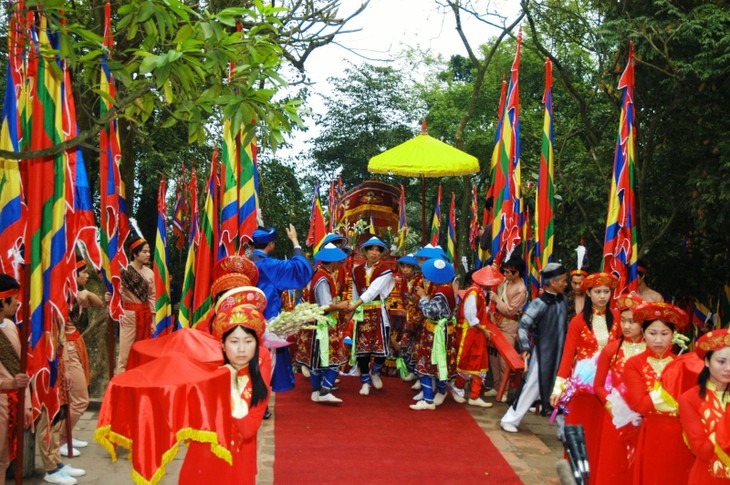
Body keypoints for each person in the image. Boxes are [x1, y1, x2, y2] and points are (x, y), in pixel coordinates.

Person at [179, 286, 271, 484]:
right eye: (234, 341)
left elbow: (248, 429)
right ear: (222, 344)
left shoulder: (260, 370)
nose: (241, 349)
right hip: (204, 457)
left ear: (257, 344)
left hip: (238, 459)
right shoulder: (208, 366)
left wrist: (229, 384)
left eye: (248, 341)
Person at [550, 272, 621, 469]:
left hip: (608, 387)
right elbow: (567, 356)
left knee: (602, 433)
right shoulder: (578, 321)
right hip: (582, 388)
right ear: (588, 293)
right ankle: (576, 472)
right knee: (581, 432)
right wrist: (558, 388)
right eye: (597, 291)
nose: (602, 296)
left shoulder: (617, 318)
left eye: (606, 291)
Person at [623, 301, 693, 484]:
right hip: (653, 433)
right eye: (652, 333)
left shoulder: (683, 364)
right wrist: (669, 386)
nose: (659, 340)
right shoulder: (633, 364)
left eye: (665, 334)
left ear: (673, 335)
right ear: (644, 334)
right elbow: (641, 405)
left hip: (683, 436)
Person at [500, 262, 568, 433]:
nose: (566, 284)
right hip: (543, 354)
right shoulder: (539, 303)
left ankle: (564, 429)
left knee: (560, 388)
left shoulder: (563, 300)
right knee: (532, 385)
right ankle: (510, 419)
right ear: (553, 282)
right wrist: (525, 347)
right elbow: (523, 326)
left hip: (561, 354)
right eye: (563, 281)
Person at [251, 225, 313, 395]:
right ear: (271, 244)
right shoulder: (270, 266)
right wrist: (295, 241)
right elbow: (300, 270)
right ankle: (260, 406)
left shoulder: (242, 263)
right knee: (265, 364)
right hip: (266, 324)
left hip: (244, 321)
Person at [593, 293, 645, 485]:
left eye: (632, 321)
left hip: (643, 417)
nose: (626, 326)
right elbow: (597, 385)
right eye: (623, 320)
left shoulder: (652, 351)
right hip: (615, 416)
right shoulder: (611, 349)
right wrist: (612, 404)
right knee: (612, 461)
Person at [295, 244, 350, 404]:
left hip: (318, 323)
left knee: (316, 358)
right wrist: (340, 306)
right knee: (335, 356)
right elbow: (325, 305)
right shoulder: (323, 278)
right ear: (333, 262)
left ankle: (316, 390)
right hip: (324, 324)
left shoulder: (321, 274)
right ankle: (324, 390)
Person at [60, 257, 103, 458]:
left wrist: (83, 292)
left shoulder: (76, 295)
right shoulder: (62, 299)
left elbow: (98, 302)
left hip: (76, 344)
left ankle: (67, 435)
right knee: (80, 400)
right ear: (73, 275)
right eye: (83, 272)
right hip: (67, 348)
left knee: (73, 397)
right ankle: (60, 440)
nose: (87, 275)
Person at [679, 328, 730, 484]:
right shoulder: (690, 399)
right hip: (708, 477)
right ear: (707, 362)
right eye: (721, 361)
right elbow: (702, 450)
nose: (728, 368)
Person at [347, 236, 395, 396]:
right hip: (362, 313)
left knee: (382, 348)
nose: (374, 253)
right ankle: (365, 381)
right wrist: (351, 313)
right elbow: (355, 293)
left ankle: (376, 371)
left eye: (377, 250)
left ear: (381, 253)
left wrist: (355, 305)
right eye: (371, 249)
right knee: (362, 349)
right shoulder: (356, 270)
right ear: (365, 251)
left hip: (379, 312)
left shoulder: (385, 271)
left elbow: (373, 291)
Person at [409, 258, 457, 411]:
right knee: (439, 363)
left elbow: (429, 312)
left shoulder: (440, 293)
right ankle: (441, 392)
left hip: (435, 333)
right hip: (445, 331)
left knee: (426, 364)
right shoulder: (447, 289)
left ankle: (428, 399)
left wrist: (423, 297)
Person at [452, 265, 503, 408]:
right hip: (470, 333)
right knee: (467, 363)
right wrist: (484, 330)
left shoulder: (480, 292)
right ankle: (458, 388)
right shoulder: (474, 293)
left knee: (479, 364)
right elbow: (470, 316)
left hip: (476, 333)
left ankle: (474, 395)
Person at [0, 274, 32, 481]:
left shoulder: (10, 326)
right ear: (2, 301)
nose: (18, 302)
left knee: (3, 460)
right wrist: (7, 383)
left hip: (12, 403)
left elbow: (22, 371)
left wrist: (27, 405)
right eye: (14, 297)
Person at [488, 256, 528, 400]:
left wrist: (496, 300)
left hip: (509, 326)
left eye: (508, 272)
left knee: (504, 360)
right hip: (496, 321)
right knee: (493, 356)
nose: (504, 274)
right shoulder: (505, 281)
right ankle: (496, 386)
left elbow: (510, 310)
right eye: (503, 271)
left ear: (517, 273)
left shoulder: (521, 290)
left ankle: (504, 390)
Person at [115, 236, 155, 373]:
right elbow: (115, 293)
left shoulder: (150, 273)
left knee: (145, 353)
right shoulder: (124, 271)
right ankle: (120, 387)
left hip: (146, 316)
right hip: (129, 316)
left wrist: (153, 321)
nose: (148, 254)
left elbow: (152, 297)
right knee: (125, 356)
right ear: (135, 253)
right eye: (144, 251)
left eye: (149, 251)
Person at [391, 254, 423, 383]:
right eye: (403, 267)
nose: (405, 269)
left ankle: (419, 375)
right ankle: (412, 371)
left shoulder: (420, 280)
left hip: (419, 319)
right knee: (405, 346)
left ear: (414, 268)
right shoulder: (402, 281)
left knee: (418, 347)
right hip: (407, 319)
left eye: (408, 267)